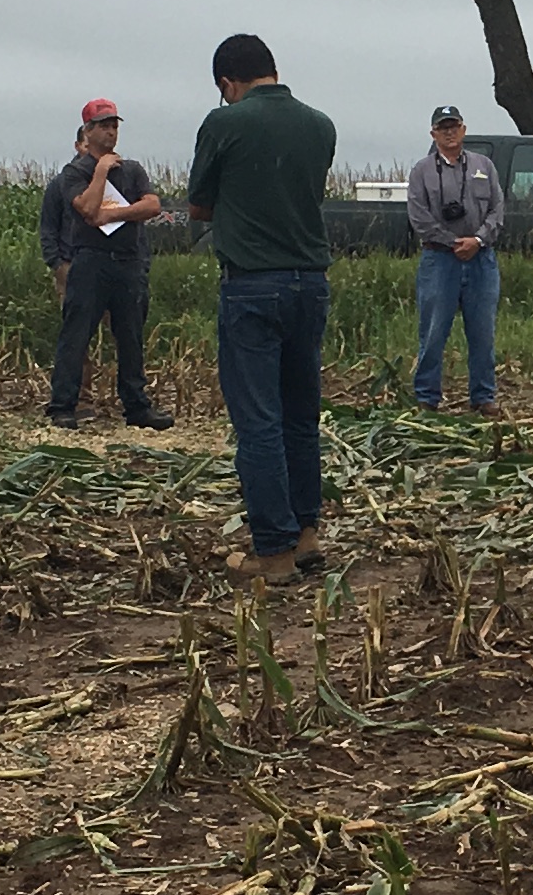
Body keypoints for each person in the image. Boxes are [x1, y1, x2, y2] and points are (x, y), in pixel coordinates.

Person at [186, 32, 336, 583]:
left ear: (228, 83)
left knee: (259, 422)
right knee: (300, 415)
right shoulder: (320, 124)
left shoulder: (224, 123)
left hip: (252, 284)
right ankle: (306, 533)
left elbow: (199, 205)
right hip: (310, 282)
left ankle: (272, 553)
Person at [43, 97, 171, 428]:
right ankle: (63, 406)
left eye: (115, 125)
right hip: (90, 262)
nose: (111, 131)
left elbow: (152, 206)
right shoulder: (75, 172)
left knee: (130, 336)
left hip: (128, 262)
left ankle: (137, 407)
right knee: (76, 335)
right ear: (88, 131)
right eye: (104, 126)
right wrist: (100, 170)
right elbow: (85, 208)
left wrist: (111, 215)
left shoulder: (133, 170)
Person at [405, 103, 503, 412]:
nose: (449, 132)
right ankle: (426, 397)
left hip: (481, 260)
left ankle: (483, 397)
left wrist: (477, 240)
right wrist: (452, 242)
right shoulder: (421, 171)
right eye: (442, 127)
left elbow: (497, 210)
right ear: (433, 133)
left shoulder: (483, 166)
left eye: (454, 125)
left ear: (463, 129)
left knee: (483, 333)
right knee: (433, 332)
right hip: (439, 261)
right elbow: (418, 218)